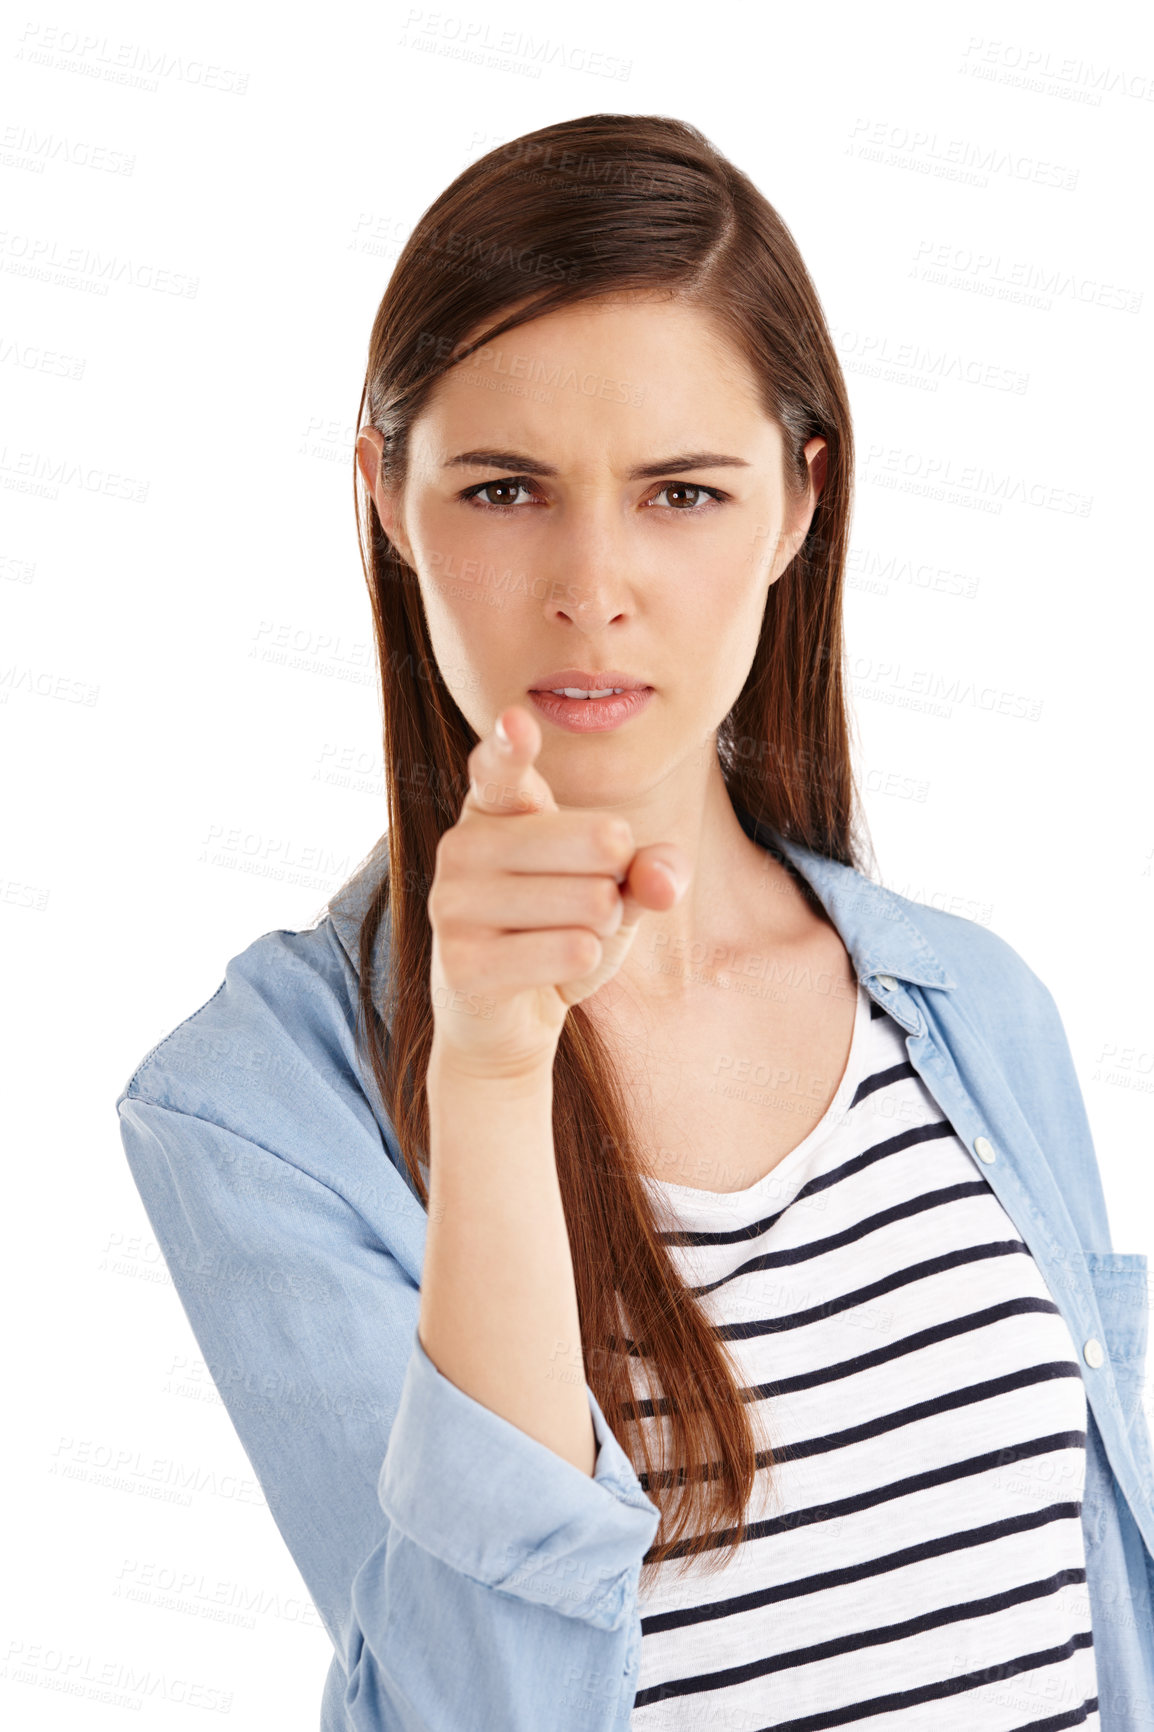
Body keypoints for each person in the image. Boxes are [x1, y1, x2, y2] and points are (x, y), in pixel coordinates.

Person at [116, 113, 1154, 1731]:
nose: (591, 584)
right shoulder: (253, 1108)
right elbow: (474, 1705)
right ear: (387, 497)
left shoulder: (972, 1007)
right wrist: (486, 1073)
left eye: (679, 490)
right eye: (507, 486)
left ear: (797, 506)